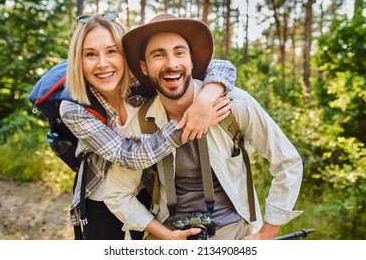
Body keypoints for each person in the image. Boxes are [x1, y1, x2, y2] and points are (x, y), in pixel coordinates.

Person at [104, 14, 303, 240]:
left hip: (234, 232)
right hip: (170, 234)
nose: (171, 64)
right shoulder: (141, 122)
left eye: (179, 53)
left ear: (191, 60)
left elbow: (287, 162)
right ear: (144, 67)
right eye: (158, 55)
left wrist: (268, 232)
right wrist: (163, 235)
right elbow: (117, 194)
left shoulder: (234, 104)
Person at [59, 13, 237, 240]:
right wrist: (188, 125)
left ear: (125, 55)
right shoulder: (74, 107)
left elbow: (222, 67)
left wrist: (204, 101)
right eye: (90, 54)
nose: (103, 63)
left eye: (111, 51)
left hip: (148, 189)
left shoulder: (143, 80)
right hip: (101, 198)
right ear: (78, 60)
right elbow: (128, 155)